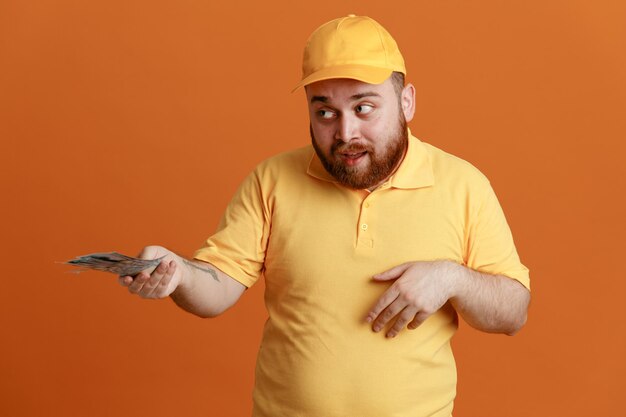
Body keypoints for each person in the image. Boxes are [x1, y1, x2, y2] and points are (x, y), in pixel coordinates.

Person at [118, 15, 531, 417]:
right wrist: (178, 274)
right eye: (325, 112)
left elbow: (513, 311)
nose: (345, 132)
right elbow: (219, 287)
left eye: (364, 107)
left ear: (407, 103)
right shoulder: (272, 180)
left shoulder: (463, 185)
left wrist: (451, 278)